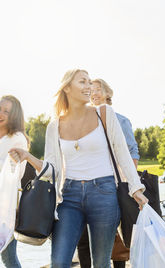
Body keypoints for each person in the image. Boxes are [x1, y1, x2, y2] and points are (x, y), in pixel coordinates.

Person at [9, 69, 148, 268]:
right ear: (66, 87)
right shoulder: (54, 125)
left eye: (89, 82)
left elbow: (122, 154)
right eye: (83, 82)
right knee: (58, 261)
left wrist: (136, 189)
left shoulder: (104, 113)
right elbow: (52, 169)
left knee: (101, 263)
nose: (89, 87)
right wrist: (28, 157)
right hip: (69, 197)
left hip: (104, 193)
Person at [77, 78, 139, 268]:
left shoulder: (120, 120)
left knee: (115, 239)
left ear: (107, 94)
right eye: (91, 90)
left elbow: (132, 154)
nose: (93, 93)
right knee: (83, 240)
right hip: (86, 186)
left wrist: (127, 183)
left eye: (97, 89)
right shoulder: (83, 121)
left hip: (113, 187)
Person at [0, 95, 28, 268]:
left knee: (8, 256)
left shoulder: (17, 138)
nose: (1, 113)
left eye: (6, 111)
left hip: (6, 205)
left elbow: (16, 171)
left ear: (14, 116)